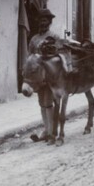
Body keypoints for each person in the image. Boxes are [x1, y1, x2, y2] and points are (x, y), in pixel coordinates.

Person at [28, 8, 69, 143]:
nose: (42, 23)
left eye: (45, 20)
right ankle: (46, 129)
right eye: (40, 20)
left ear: (49, 22)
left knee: (49, 102)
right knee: (42, 103)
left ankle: (51, 131)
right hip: (39, 76)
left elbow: (58, 56)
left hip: (51, 76)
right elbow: (30, 57)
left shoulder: (54, 37)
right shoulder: (34, 39)